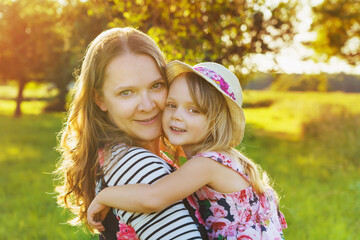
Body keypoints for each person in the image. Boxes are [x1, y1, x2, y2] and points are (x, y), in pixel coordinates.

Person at [87, 60, 288, 239]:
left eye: (193, 110)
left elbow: (153, 198)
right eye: (172, 105)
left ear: (216, 122)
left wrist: (104, 196)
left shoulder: (206, 164)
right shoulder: (216, 159)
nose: (177, 116)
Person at [54, 28, 204, 239]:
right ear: (100, 99)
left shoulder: (112, 155)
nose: (147, 105)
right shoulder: (139, 168)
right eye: (126, 92)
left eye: (156, 86)